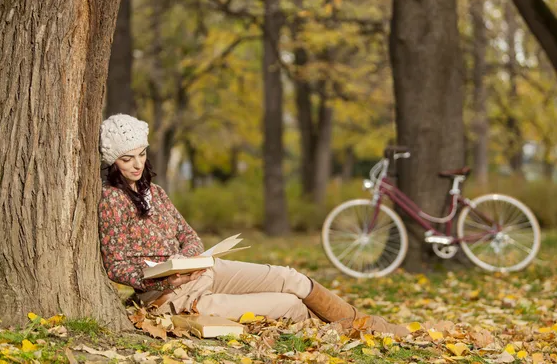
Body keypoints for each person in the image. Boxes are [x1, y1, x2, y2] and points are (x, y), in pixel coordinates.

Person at [98, 114, 407, 336]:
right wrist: (165, 279)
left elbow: (187, 233)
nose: (137, 164)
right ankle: (358, 331)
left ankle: (367, 324)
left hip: (203, 271)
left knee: (293, 279)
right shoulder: (112, 200)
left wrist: (188, 258)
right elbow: (115, 267)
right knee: (289, 306)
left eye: (141, 154)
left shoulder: (157, 193)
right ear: (113, 161)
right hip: (172, 297)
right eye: (127, 159)